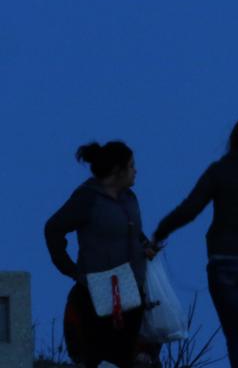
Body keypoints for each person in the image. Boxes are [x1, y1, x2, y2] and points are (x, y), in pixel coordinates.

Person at [152, 115, 238, 368]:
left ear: (232, 140)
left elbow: (190, 208)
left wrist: (161, 231)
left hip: (226, 262)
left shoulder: (219, 172)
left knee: (237, 332)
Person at [45, 141, 156, 368]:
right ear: (117, 170)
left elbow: (131, 230)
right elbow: (53, 228)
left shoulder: (129, 198)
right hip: (98, 289)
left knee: (126, 356)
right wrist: (69, 268)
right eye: (131, 165)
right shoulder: (88, 198)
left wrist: (145, 246)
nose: (136, 170)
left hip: (131, 289)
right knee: (97, 356)